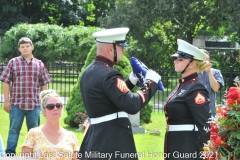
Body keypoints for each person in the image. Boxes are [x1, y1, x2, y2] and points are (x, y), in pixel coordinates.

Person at [78, 27, 161, 160]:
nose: (124, 50)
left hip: (97, 137)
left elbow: (110, 97)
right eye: (121, 46)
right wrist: (151, 83)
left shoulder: (89, 71)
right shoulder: (110, 74)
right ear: (111, 49)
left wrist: (131, 81)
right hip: (113, 140)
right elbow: (132, 105)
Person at [0, 37, 52, 156]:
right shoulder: (13, 62)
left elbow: (44, 83)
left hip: (34, 105)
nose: (25, 48)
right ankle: (10, 153)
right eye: (23, 46)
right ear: (19, 49)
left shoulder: (39, 64)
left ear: (32, 47)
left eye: (27, 46)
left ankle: (34, 153)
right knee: (13, 130)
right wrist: (6, 101)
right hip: (16, 104)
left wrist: (44, 103)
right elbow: (6, 82)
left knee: (34, 131)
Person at [164, 39, 211, 160]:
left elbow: (204, 124)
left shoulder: (196, 88)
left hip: (187, 148)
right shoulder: (183, 85)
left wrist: (205, 153)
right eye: (176, 58)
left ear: (192, 64)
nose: (175, 61)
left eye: (180, 59)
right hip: (176, 145)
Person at [21, 90, 79, 160]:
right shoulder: (33, 134)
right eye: (50, 106)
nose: (55, 109)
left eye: (58, 105)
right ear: (43, 111)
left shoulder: (71, 136)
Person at [198, 49, 224, 117]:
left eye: (202, 57)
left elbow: (216, 88)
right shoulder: (193, 73)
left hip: (210, 112)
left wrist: (209, 73)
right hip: (195, 112)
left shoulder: (215, 72)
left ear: (208, 58)